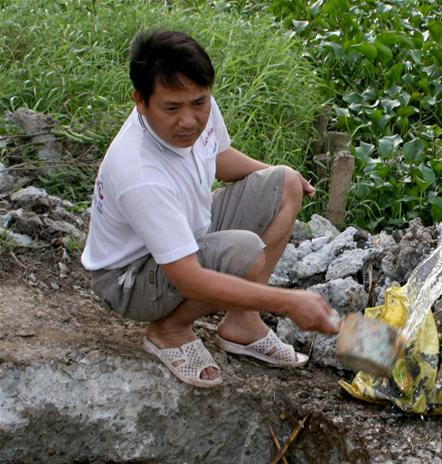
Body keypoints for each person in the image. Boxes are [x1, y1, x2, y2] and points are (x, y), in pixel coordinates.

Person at [81, 29, 339, 388]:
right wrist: (289, 302)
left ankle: (242, 323)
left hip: (187, 231)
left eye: (199, 103)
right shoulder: (139, 173)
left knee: (286, 182)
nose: (189, 120)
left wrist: (277, 178)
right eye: (172, 108)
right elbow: (189, 277)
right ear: (140, 100)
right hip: (130, 278)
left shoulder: (196, 105)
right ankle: (169, 331)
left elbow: (217, 158)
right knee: (245, 252)